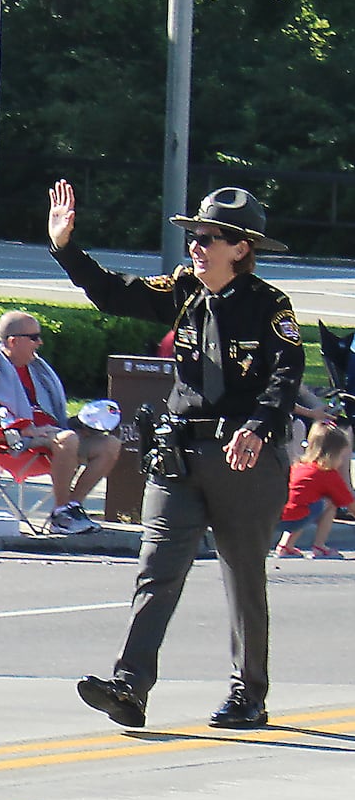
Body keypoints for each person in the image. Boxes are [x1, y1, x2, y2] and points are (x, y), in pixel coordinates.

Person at [52, 181, 303, 731]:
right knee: (156, 571)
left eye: (211, 237)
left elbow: (287, 375)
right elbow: (117, 293)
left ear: (240, 248)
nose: (198, 244)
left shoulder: (269, 306)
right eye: (195, 234)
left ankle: (248, 693)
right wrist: (66, 249)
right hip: (182, 454)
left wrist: (260, 428)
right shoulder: (184, 292)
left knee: (243, 577)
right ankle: (130, 686)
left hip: (244, 457)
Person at [0, 310, 123, 535]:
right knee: (67, 439)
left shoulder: (37, 370)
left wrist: (81, 424)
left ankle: (72, 506)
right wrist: (30, 431)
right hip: (16, 445)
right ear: (13, 341)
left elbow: (52, 415)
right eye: (33, 337)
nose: (39, 342)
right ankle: (60, 514)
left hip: (54, 439)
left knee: (109, 444)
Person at [273, 420, 352, 559]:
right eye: (340, 456)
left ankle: (285, 546)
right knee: (330, 504)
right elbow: (350, 505)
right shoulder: (327, 474)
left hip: (278, 516)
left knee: (302, 503)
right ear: (332, 455)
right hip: (295, 519)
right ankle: (319, 546)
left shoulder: (300, 466)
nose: (341, 461)